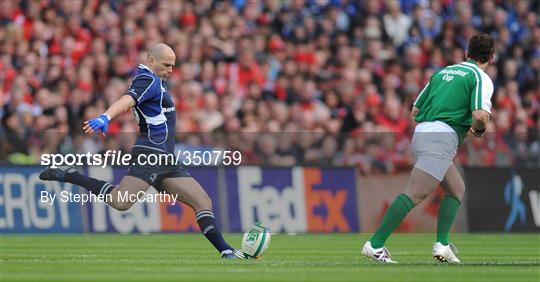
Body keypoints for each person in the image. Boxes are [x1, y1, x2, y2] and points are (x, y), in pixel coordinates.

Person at [39, 43, 246, 259]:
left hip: (165, 158)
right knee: (121, 201)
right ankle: (69, 174)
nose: (171, 70)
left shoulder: (156, 82)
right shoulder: (148, 79)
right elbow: (127, 100)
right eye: (167, 65)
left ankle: (226, 251)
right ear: (152, 61)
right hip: (152, 153)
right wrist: (105, 117)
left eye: (173, 66)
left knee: (202, 201)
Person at [362, 33, 496, 263]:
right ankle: (374, 245)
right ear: (491, 58)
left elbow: (415, 111)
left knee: (456, 188)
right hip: (441, 138)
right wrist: (479, 130)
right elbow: (480, 115)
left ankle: (442, 245)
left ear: (466, 53)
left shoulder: (443, 72)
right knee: (414, 194)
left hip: (424, 133)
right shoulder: (480, 78)